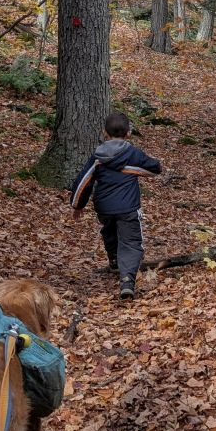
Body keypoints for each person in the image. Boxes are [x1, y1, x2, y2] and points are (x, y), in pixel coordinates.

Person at [69, 111, 162, 300]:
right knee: (131, 242)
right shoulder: (132, 153)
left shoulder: (97, 157)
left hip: (104, 207)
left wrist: (77, 205)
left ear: (104, 133)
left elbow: (82, 182)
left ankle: (114, 260)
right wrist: (133, 169)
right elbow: (155, 167)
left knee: (109, 230)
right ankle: (127, 279)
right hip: (128, 207)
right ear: (128, 133)